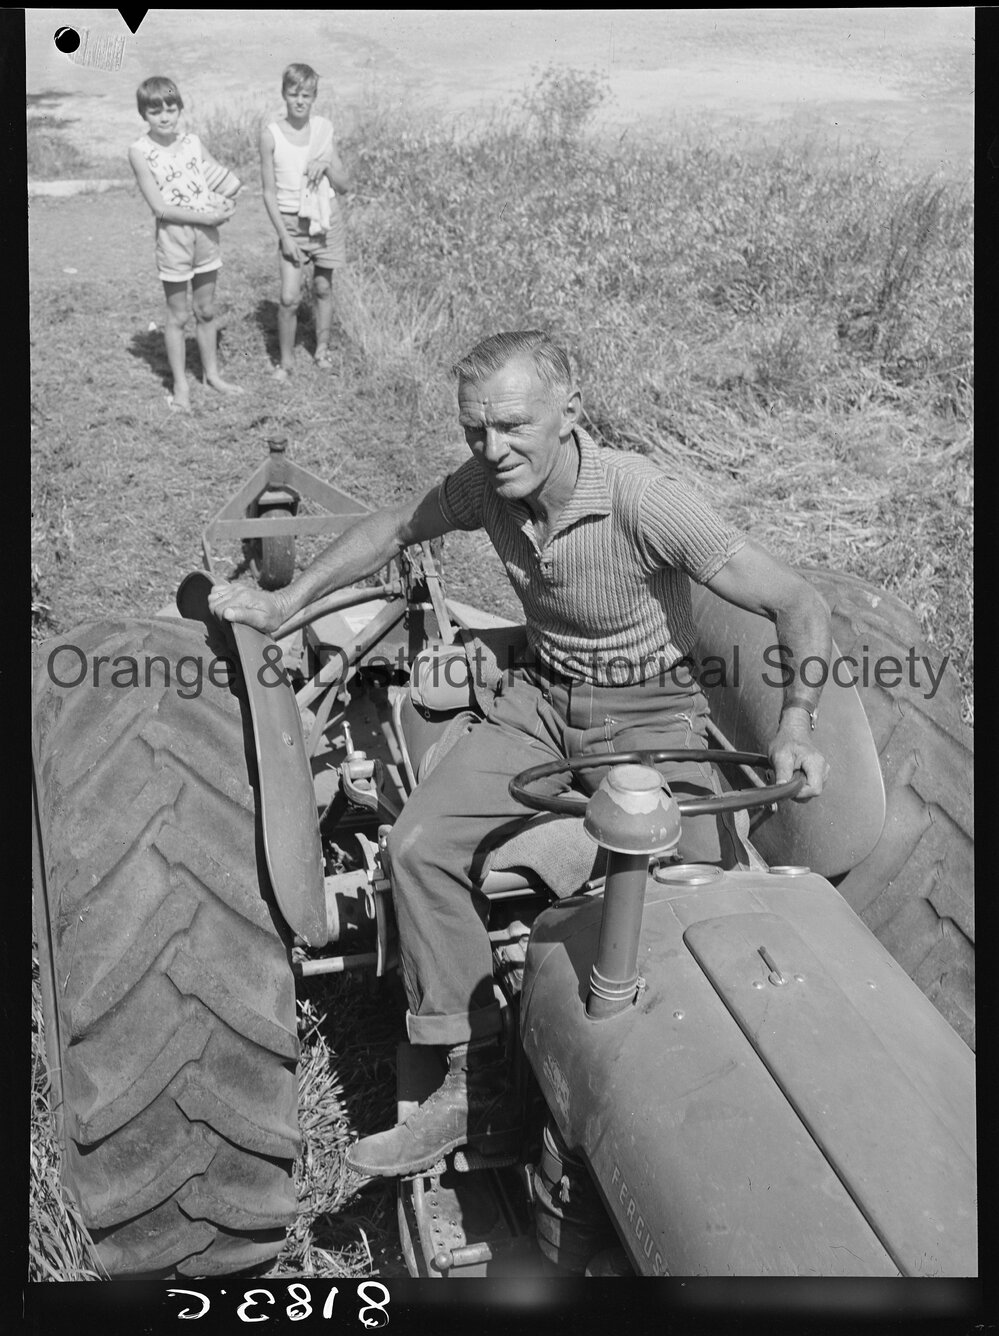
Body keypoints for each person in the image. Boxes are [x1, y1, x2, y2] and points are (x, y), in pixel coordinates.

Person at [208, 330, 832, 1177]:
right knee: (418, 846)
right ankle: (473, 1078)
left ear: (569, 412)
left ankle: (704, 1096)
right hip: (537, 704)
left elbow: (797, 602)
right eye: (473, 431)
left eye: (510, 426)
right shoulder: (488, 488)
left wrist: (793, 723)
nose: (491, 449)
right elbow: (393, 528)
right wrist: (280, 607)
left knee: (691, 907)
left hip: (650, 713)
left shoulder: (643, 500)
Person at [128, 76, 244, 411]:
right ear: (143, 114)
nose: (164, 117)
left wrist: (226, 205)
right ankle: (181, 386)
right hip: (174, 240)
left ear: (180, 108)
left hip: (206, 239)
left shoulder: (193, 142)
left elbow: (218, 181)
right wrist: (207, 218)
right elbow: (160, 208)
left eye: (170, 108)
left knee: (206, 310)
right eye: (155, 111)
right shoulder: (140, 152)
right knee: (178, 316)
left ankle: (212, 375)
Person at [260, 63, 351, 379]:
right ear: (284, 94)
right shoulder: (270, 135)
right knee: (289, 297)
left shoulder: (324, 130)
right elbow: (269, 193)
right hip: (291, 223)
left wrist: (325, 166)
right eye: (294, 93)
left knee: (323, 287)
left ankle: (322, 351)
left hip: (325, 219)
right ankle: (285, 362)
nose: (300, 101)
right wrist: (284, 237)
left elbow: (343, 184)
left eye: (307, 95)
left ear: (314, 97)